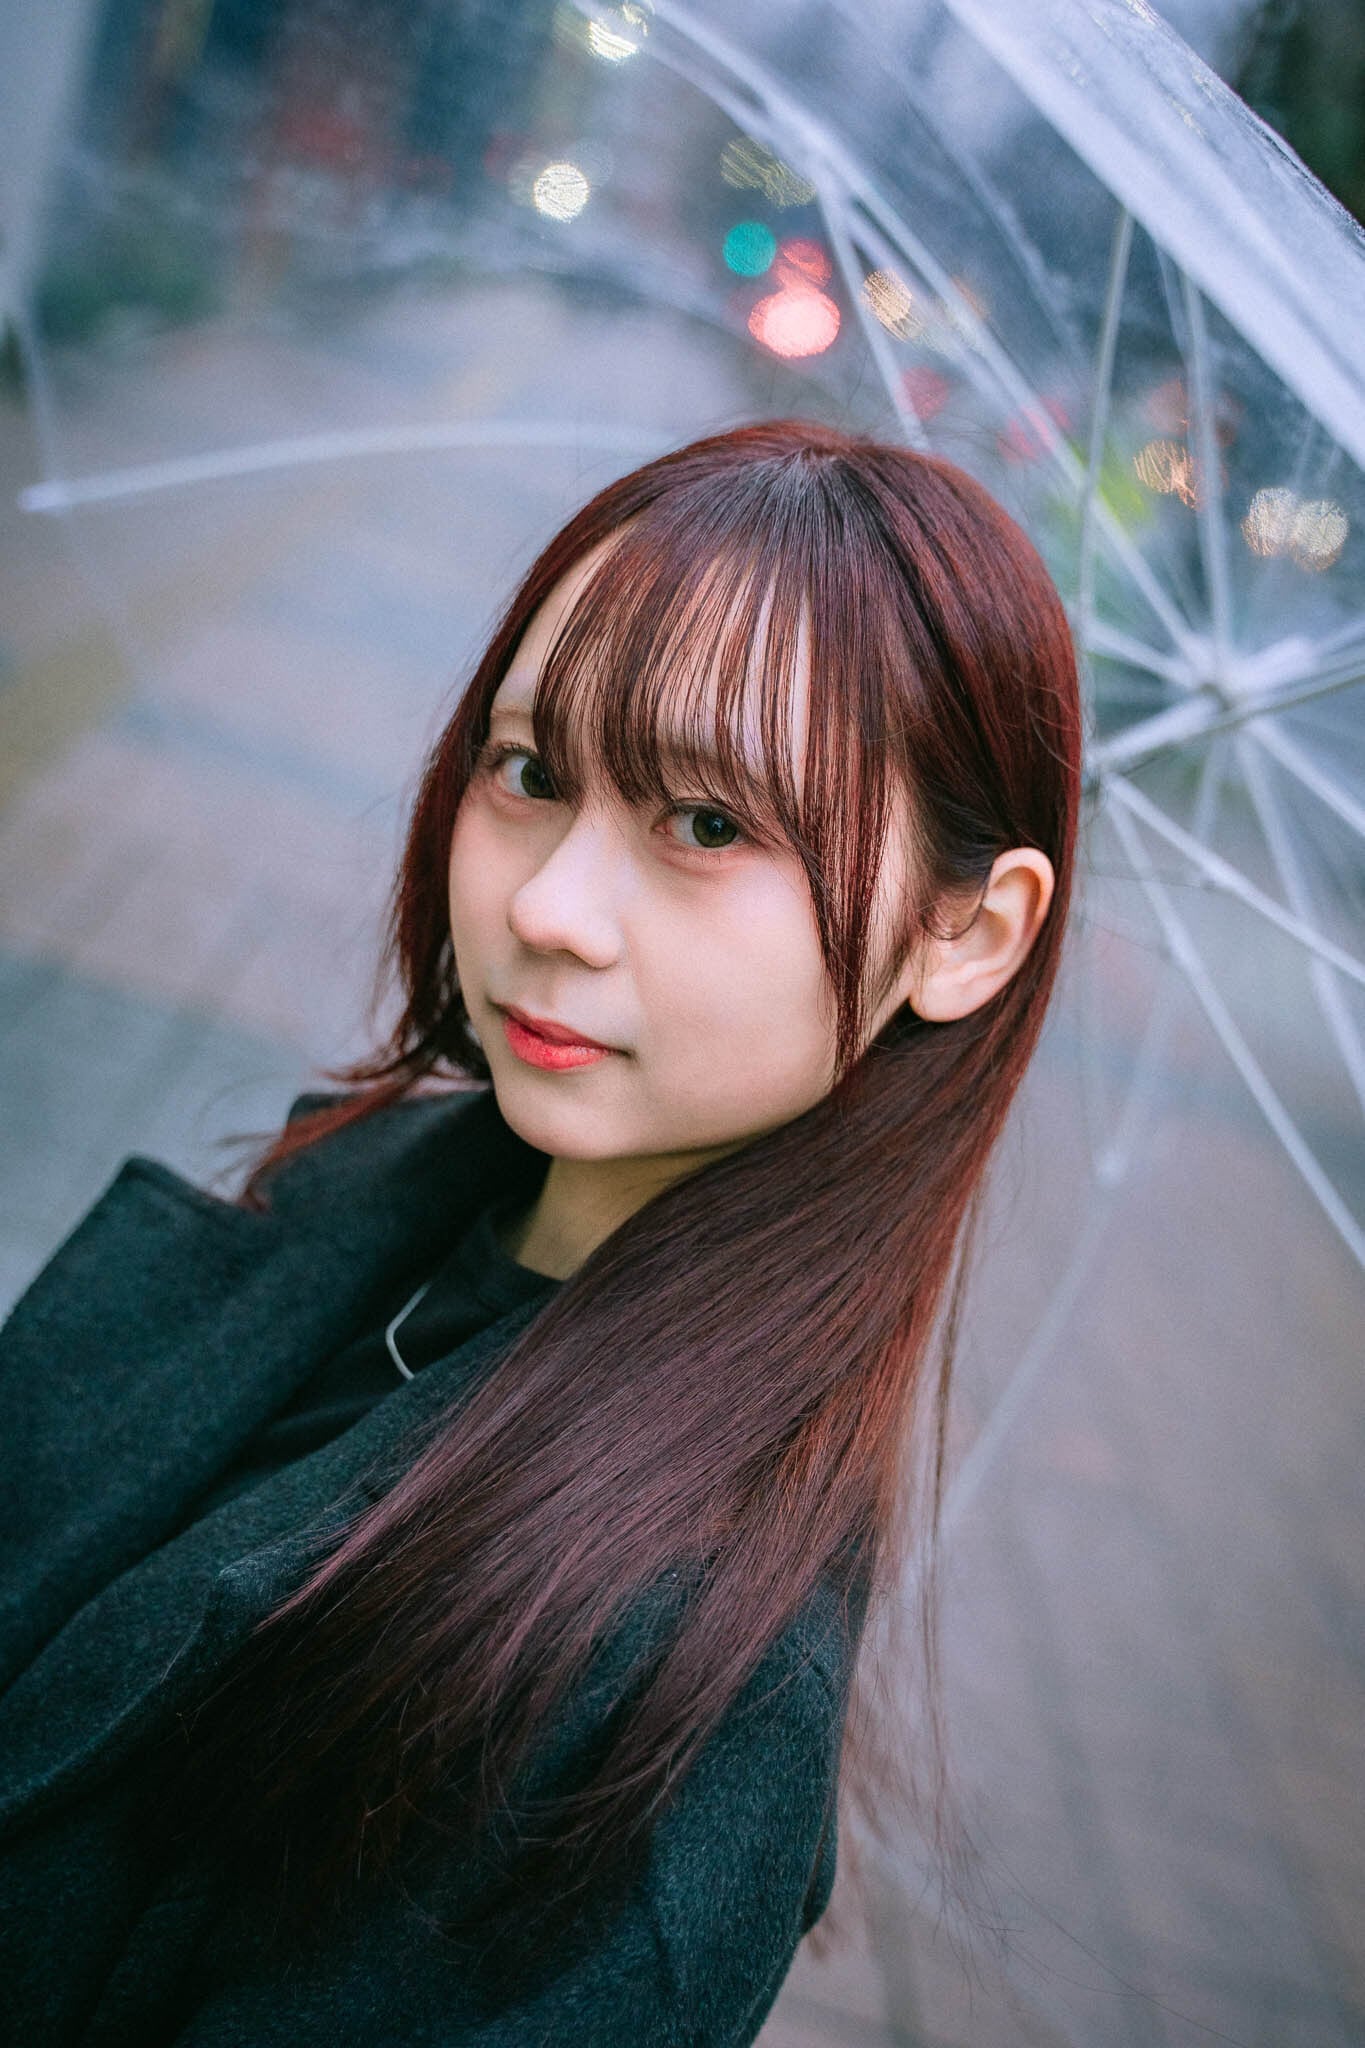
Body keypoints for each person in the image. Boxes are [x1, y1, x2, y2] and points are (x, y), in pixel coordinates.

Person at [0, 419, 1081, 2045]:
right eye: (529, 773)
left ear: (966, 933)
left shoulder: (654, 1747)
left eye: (707, 826)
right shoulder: (364, 1217)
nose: (547, 909)